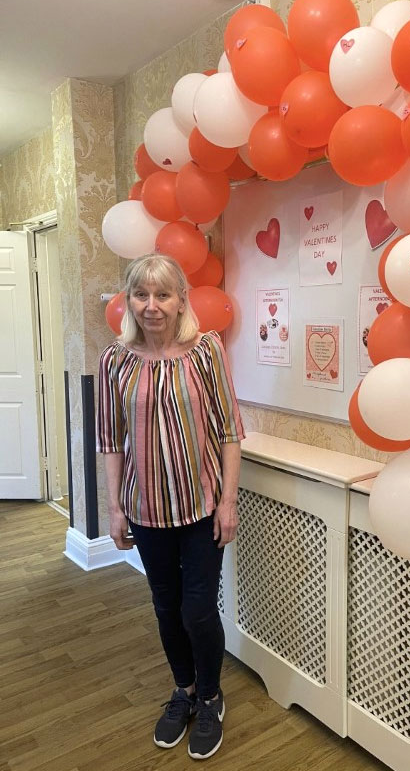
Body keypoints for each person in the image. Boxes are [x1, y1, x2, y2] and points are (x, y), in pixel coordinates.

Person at [96, 253, 244, 760]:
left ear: (182, 300)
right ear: (129, 301)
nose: (151, 305)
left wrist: (228, 501)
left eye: (163, 294)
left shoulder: (206, 350)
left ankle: (211, 697)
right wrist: (115, 509)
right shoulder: (114, 360)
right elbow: (110, 441)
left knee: (198, 610)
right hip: (145, 510)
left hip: (202, 507)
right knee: (165, 605)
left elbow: (230, 431)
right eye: (141, 294)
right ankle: (184, 690)